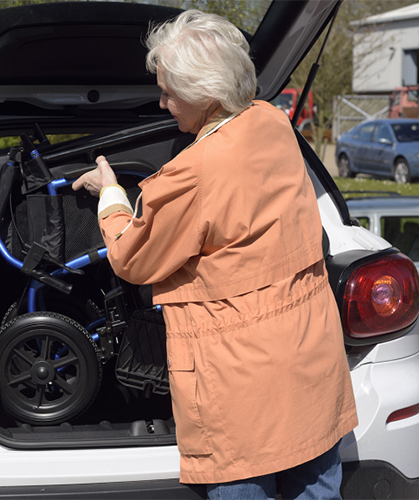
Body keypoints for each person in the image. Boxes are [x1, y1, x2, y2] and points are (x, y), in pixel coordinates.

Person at [72, 9, 358, 500]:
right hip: (310, 365)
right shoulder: (272, 123)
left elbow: (131, 259)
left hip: (241, 391)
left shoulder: (194, 173)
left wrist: (111, 194)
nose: (162, 104)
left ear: (205, 93)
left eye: (169, 92)